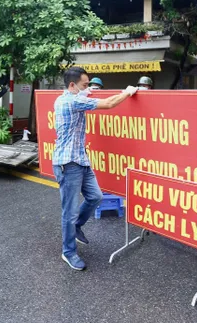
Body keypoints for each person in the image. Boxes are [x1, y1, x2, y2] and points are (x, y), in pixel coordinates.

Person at [53, 66, 138, 271]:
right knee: (69, 212)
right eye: (84, 85)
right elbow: (108, 103)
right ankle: (69, 252)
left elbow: (85, 95)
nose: (87, 88)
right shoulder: (73, 101)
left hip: (81, 160)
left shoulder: (64, 97)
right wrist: (127, 92)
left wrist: (86, 91)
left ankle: (77, 227)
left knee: (96, 197)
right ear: (72, 85)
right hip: (68, 163)